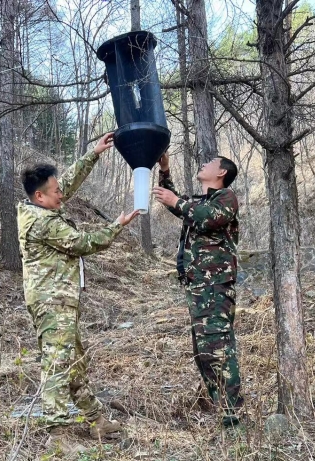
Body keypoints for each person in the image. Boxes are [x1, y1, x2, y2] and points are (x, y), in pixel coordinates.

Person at [17, 132, 139, 440]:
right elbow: (83, 243)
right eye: (55, 191)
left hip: (59, 299)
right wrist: (117, 226)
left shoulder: (42, 205)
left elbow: (66, 184)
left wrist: (94, 154)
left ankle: (95, 419)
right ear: (39, 197)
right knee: (58, 363)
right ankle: (58, 432)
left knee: (74, 362)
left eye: (59, 189)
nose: (62, 194)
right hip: (52, 301)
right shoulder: (43, 222)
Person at [152, 153, 244, 427]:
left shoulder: (226, 198)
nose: (203, 164)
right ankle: (223, 410)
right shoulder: (200, 202)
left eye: (210, 163)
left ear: (221, 173)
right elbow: (177, 204)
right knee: (204, 352)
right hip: (199, 288)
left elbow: (205, 218)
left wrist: (177, 202)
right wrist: (165, 169)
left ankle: (233, 417)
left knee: (217, 349)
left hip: (215, 288)